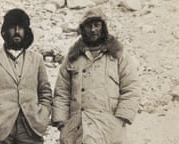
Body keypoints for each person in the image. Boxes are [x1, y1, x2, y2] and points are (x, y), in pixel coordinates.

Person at [52, 8, 141, 144]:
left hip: (109, 131)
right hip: (77, 131)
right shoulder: (72, 57)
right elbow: (61, 92)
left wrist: (120, 120)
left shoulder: (118, 54)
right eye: (89, 26)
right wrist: (62, 124)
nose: (93, 30)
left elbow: (131, 88)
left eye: (97, 25)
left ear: (103, 27)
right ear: (82, 29)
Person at [0, 8, 52, 144]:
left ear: (26, 32)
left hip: (31, 127)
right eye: (12, 27)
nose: (16, 31)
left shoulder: (37, 59)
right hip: (0, 128)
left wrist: (43, 113)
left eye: (21, 28)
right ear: (4, 31)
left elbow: (45, 91)